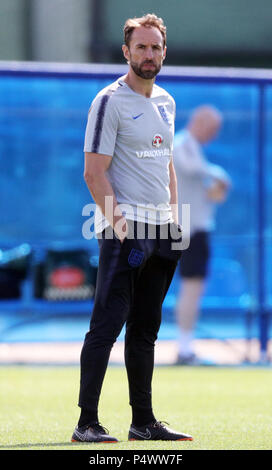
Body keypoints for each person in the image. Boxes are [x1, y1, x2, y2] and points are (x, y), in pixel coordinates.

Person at [71, 14, 193, 443]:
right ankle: (86, 423)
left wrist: (174, 222)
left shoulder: (167, 102)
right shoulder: (109, 100)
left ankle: (143, 422)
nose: (148, 54)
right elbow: (93, 173)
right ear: (126, 52)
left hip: (162, 231)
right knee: (106, 326)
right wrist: (123, 228)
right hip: (125, 231)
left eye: (155, 47)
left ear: (164, 51)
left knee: (145, 331)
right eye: (140, 47)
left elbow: (168, 165)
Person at [173, 106, 231, 365]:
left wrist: (216, 188)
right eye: (212, 128)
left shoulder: (192, 148)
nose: (214, 135)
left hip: (193, 227)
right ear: (199, 122)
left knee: (193, 288)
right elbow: (199, 170)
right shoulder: (183, 144)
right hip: (187, 229)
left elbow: (206, 189)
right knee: (189, 288)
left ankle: (186, 347)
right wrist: (220, 176)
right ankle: (184, 350)